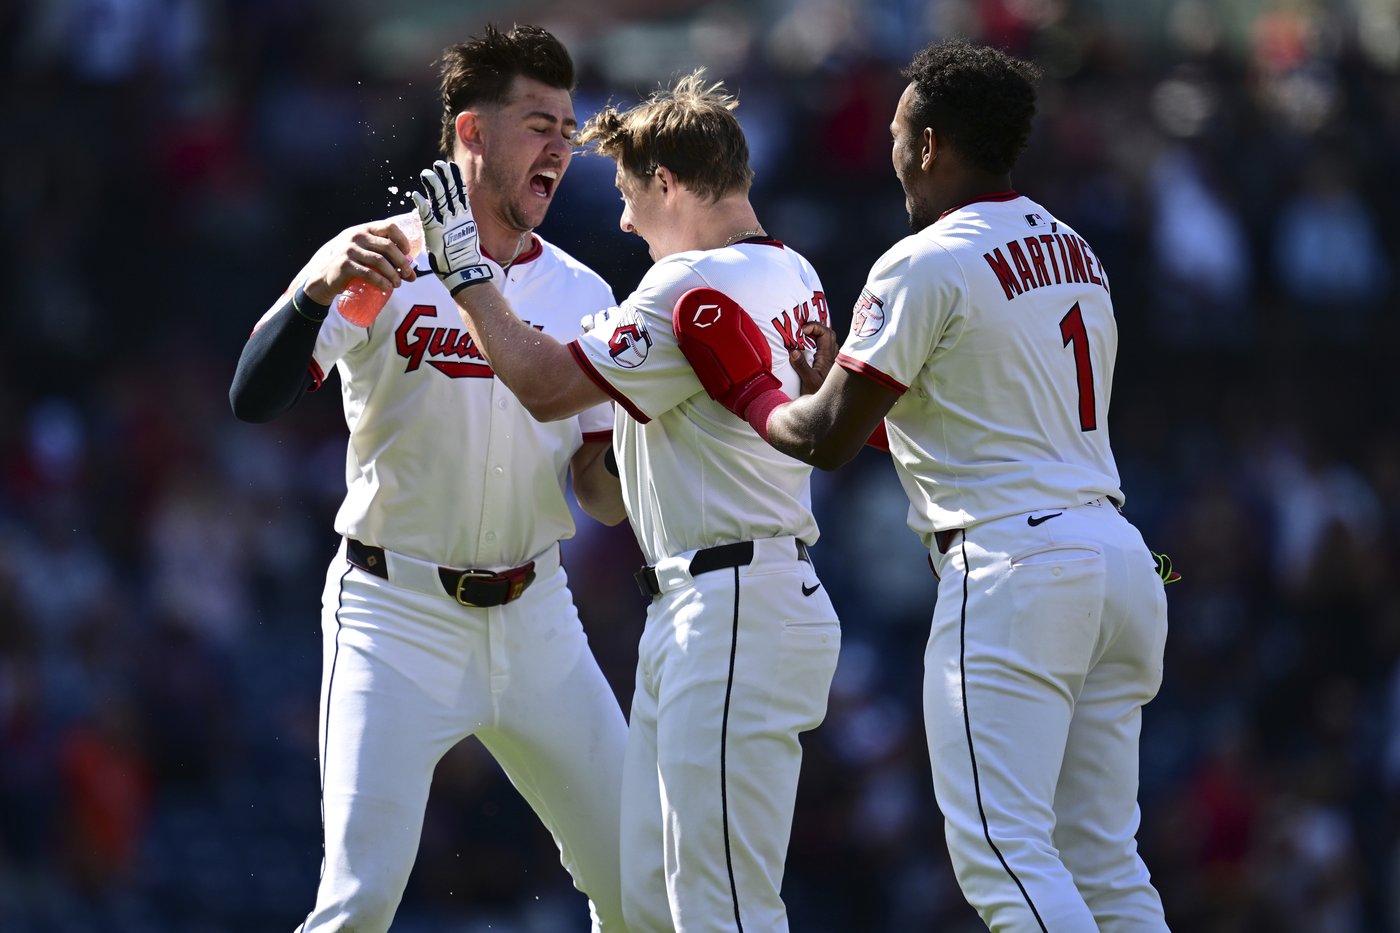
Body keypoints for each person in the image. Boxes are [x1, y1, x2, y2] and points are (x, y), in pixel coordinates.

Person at [730, 40, 1173, 931]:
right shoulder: (1075, 247)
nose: (890, 148)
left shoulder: (922, 259)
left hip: (1014, 565)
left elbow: (824, 440)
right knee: (1104, 859)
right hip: (1120, 559)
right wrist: (842, 370)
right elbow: (962, 417)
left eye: (898, 130)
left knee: (1003, 857)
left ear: (928, 144)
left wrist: (752, 386)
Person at [411, 71, 841, 932]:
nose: (622, 220)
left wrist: (465, 273)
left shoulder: (681, 289)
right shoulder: (794, 269)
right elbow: (624, 475)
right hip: (723, 600)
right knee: (644, 900)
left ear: (670, 183)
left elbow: (538, 384)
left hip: (730, 610)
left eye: (629, 193)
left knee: (720, 909)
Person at [228, 25, 629, 932]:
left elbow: (599, 491)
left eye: (568, 127)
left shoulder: (582, 293)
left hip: (537, 616)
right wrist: (312, 293)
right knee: (360, 901)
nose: (561, 147)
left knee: (641, 882)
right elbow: (254, 397)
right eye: (538, 123)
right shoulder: (379, 261)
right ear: (471, 132)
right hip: (393, 612)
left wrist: (643, 466)